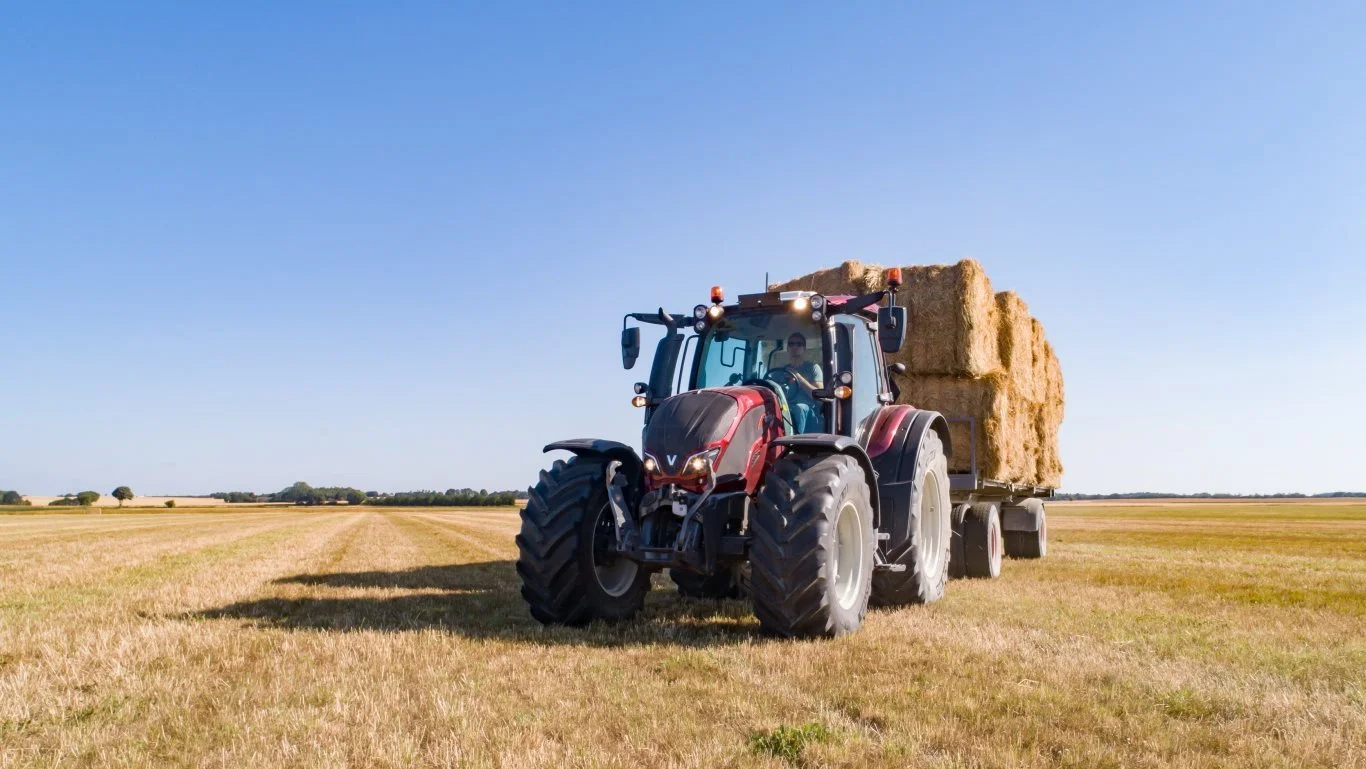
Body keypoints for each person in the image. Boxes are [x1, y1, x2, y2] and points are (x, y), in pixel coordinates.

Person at [771, 332, 825, 433]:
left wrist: (799, 378)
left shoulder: (813, 368)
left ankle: (794, 443)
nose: (794, 347)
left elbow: (818, 396)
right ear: (787, 348)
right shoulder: (779, 372)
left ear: (804, 348)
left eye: (799, 344)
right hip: (784, 407)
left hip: (808, 412)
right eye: (791, 344)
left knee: (798, 408)